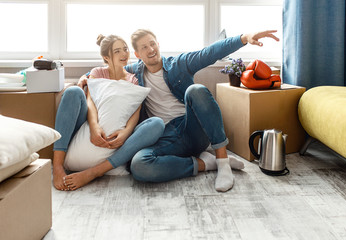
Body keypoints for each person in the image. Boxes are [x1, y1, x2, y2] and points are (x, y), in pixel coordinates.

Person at [78, 29, 279, 192]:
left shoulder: (178, 64)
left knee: (196, 90)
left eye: (152, 43)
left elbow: (209, 53)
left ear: (158, 44)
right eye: (144, 47)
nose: (150, 49)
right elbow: (107, 70)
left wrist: (244, 38)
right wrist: (85, 77)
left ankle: (222, 160)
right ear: (137, 55)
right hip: (165, 136)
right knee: (138, 166)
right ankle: (205, 164)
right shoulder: (134, 72)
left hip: (191, 128)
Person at [52, 34, 165, 191]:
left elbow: (135, 110)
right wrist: (94, 127)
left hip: (120, 133)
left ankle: (94, 172)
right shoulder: (97, 72)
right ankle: (57, 166)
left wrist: (126, 132)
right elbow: (90, 101)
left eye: (125, 49)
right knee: (73, 92)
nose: (124, 54)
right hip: (90, 123)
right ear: (106, 57)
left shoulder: (134, 78)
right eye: (117, 51)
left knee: (156, 124)